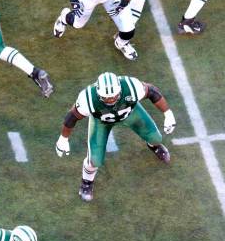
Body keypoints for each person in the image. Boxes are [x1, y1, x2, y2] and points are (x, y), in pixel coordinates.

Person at [55, 71, 176, 201]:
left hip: (131, 114)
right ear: (98, 93)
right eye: (107, 98)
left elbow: (152, 92)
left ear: (119, 90)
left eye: (114, 96)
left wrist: (168, 113)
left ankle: (154, 146)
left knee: (156, 138)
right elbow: (72, 117)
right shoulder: (88, 98)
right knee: (94, 160)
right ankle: (87, 182)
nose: (111, 100)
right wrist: (63, 139)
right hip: (101, 122)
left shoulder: (130, 86)